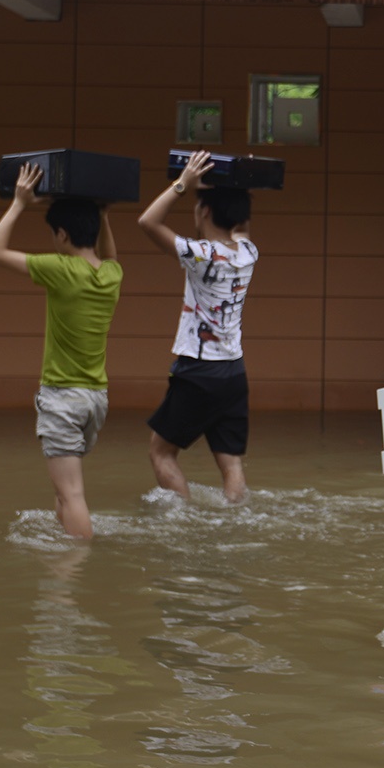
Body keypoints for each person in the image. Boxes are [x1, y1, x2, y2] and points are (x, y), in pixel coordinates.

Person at [0, 164, 123, 541]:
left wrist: (19, 203)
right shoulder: (112, 275)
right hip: (95, 400)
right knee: (63, 491)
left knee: (71, 493)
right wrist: (103, 216)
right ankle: (63, 555)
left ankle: (76, 565)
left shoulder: (61, 269)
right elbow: (109, 255)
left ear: (62, 234)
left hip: (63, 398)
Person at [137, 151, 258, 504]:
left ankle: (184, 520)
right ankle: (235, 521)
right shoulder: (248, 252)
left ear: (203, 211)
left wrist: (182, 184)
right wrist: (240, 182)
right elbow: (240, 224)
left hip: (199, 371)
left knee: (161, 453)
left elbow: (147, 222)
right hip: (234, 372)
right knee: (230, 462)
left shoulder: (199, 254)